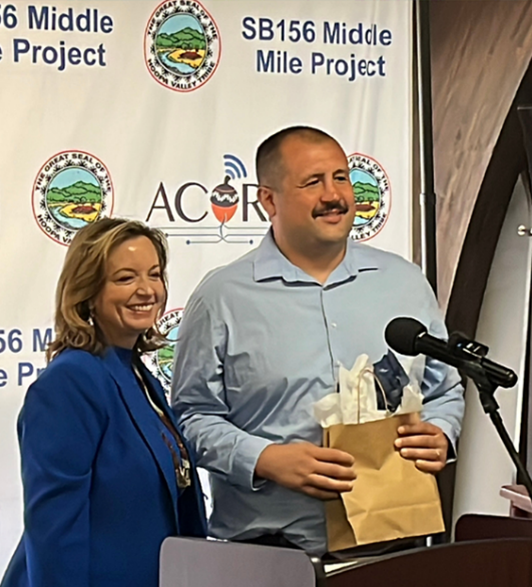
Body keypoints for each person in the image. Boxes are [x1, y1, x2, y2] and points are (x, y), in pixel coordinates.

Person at [171, 126, 464, 556]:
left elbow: (444, 389)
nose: (333, 195)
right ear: (268, 200)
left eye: (341, 177)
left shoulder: (404, 281)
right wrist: (264, 459)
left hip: (393, 548)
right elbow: (191, 417)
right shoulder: (221, 297)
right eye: (312, 182)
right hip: (269, 555)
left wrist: (440, 431)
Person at [0, 218, 206, 587]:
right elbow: (54, 536)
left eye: (154, 274)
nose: (147, 290)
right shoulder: (71, 382)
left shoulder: (137, 374)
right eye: (125, 278)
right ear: (88, 291)